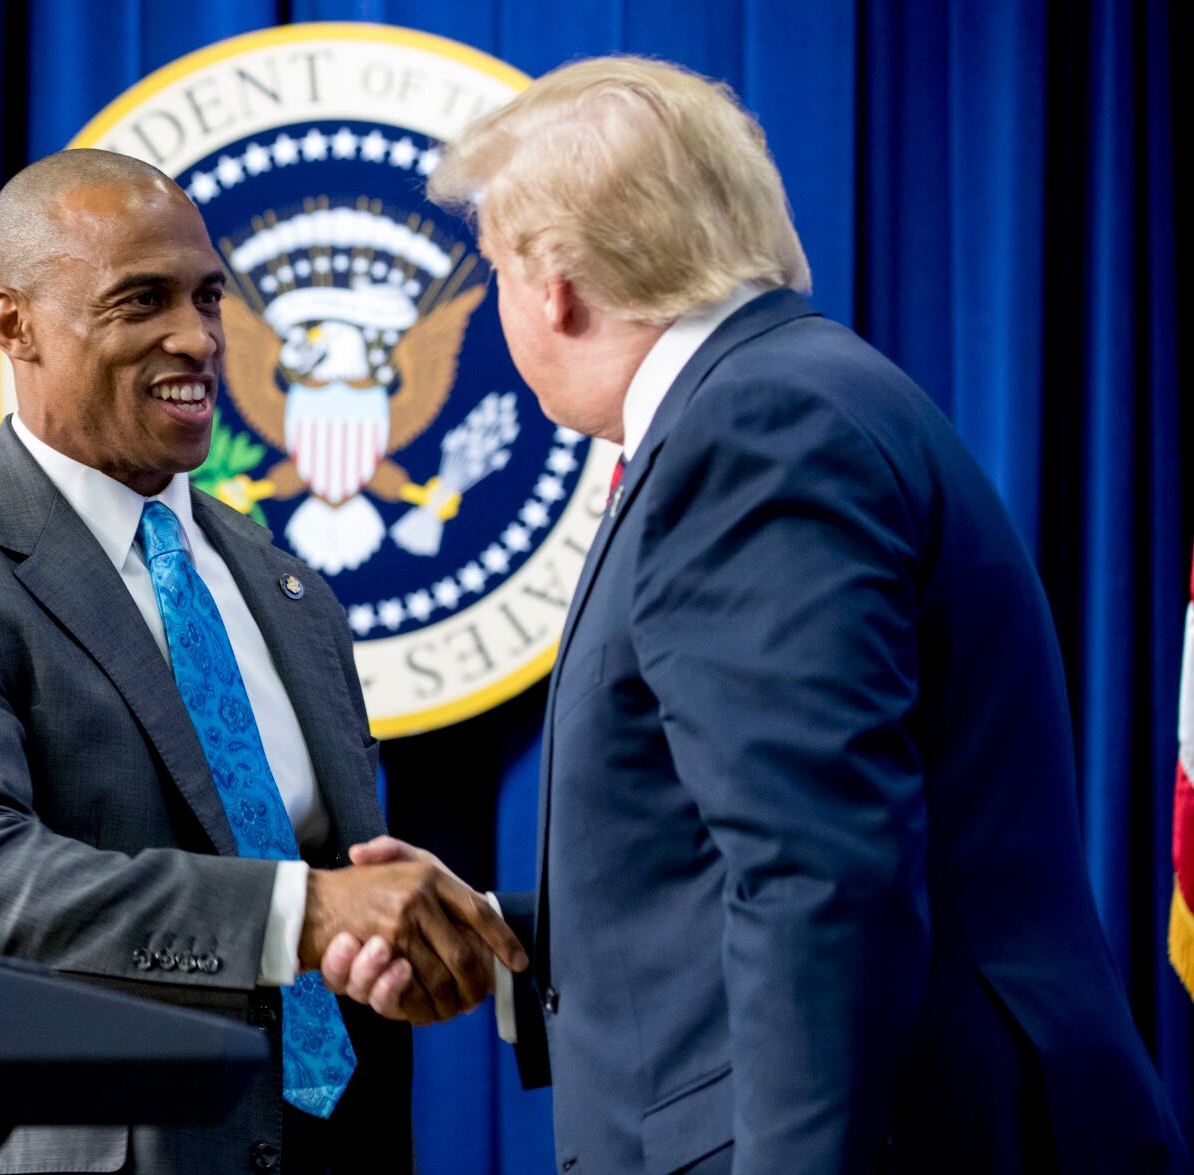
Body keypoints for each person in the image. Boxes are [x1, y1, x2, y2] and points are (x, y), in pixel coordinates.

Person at [321, 57, 1192, 1173]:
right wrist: (508, 937)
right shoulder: (790, 393)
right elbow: (763, 837)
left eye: (491, 272)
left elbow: (818, 880)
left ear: (554, 286)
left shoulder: (751, 430)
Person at [0, 148, 524, 1174]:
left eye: (206, 296)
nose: (194, 337)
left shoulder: (286, 585)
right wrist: (304, 909)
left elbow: (316, 880)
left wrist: (388, 927)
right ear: (13, 324)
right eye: (139, 300)